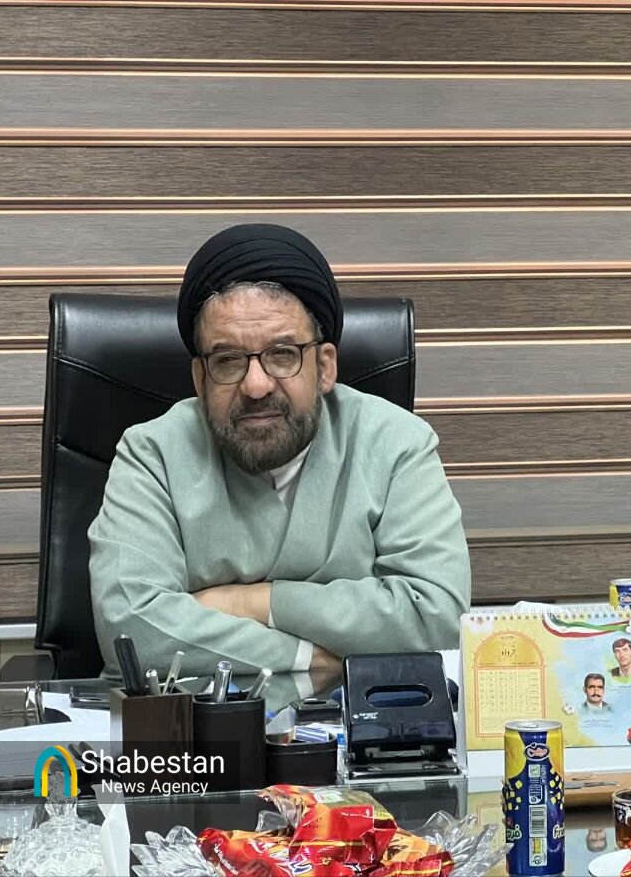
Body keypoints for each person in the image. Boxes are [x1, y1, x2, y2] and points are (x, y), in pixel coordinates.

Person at [89, 223, 471, 678]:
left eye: (283, 354)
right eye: (227, 360)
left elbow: (435, 617)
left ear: (324, 367)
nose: (256, 385)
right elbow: (131, 630)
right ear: (200, 378)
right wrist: (304, 657)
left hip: (359, 717)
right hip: (190, 718)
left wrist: (255, 602)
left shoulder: (396, 443)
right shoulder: (152, 454)